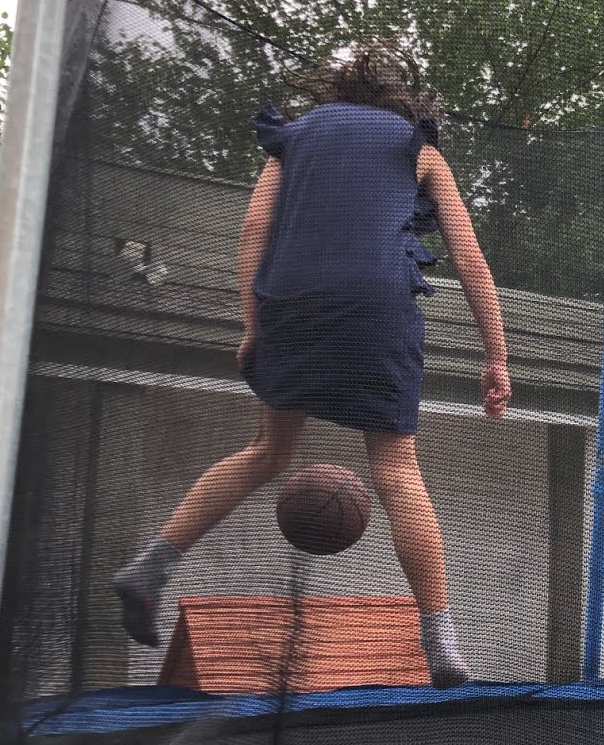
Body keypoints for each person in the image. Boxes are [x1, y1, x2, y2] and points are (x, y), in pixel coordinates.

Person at [110, 43, 511, 688]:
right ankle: (441, 646)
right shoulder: (417, 146)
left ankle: (150, 567)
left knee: (269, 451)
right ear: (399, 98)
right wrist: (495, 356)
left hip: (291, 301)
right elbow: (468, 257)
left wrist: (253, 323)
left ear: (333, 89)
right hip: (375, 301)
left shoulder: (291, 140)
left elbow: (251, 232)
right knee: (393, 461)